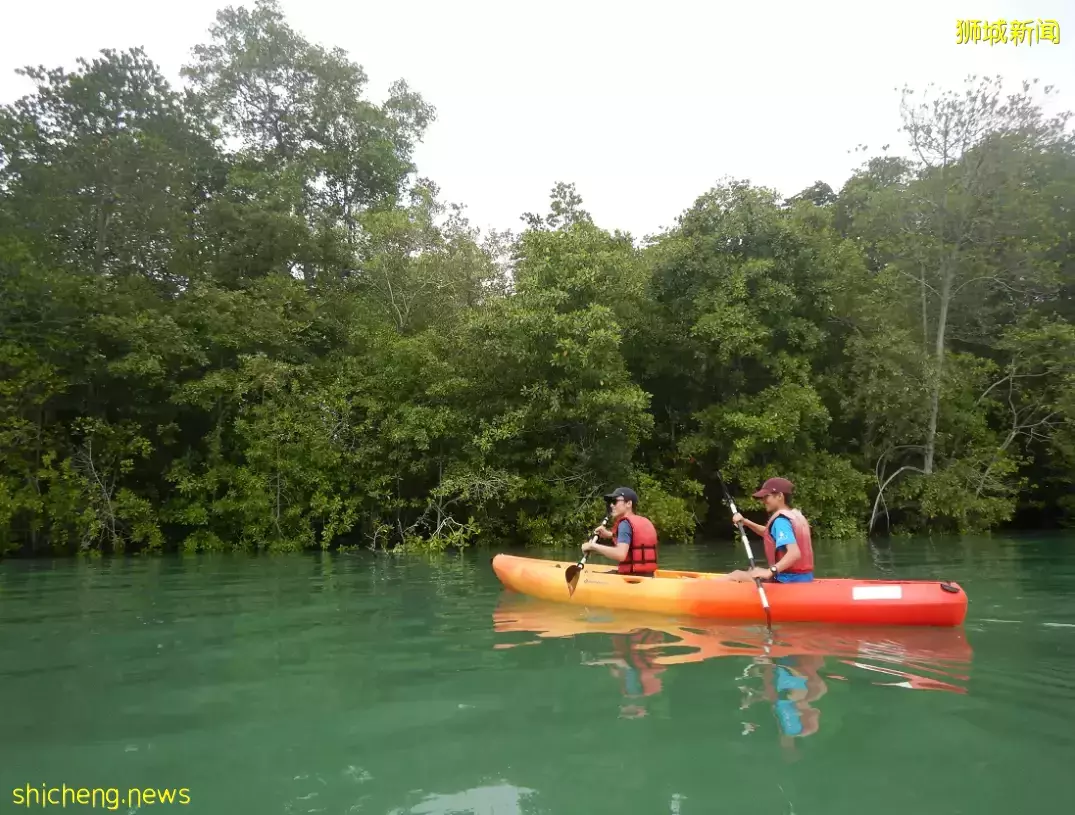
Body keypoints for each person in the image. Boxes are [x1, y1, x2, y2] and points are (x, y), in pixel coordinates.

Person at [722, 477, 814, 583]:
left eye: (767, 496)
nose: (763, 500)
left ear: (780, 496)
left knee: (735, 575)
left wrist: (770, 571)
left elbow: (794, 553)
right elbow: (769, 534)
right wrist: (746, 522)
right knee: (751, 571)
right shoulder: (795, 515)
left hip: (787, 580)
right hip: (805, 578)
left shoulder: (781, 521)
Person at [580, 486, 659, 575]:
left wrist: (593, 546)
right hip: (648, 575)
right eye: (611, 502)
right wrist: (610, 535)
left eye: (615, 501)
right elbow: (632, 539)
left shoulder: (624, 524)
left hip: (631, 578)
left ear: (628, 503)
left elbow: (620, 554)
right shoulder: (645, 521)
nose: (611, 505)